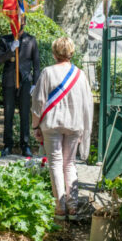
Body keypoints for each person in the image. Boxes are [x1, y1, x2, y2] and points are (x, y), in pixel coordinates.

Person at [30, 37, 93, 221]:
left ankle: (60, 207)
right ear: (71, 52)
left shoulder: (47, 72)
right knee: (70, 163)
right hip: (74, 125)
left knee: (56, 164)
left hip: (52, 124)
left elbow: (38, 101)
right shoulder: (80, 75)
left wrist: (36, 125)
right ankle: (73, 206)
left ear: (54, 53)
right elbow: (87, 103)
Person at [0, 18, 40, 157]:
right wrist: (11, 50)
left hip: (26, 82)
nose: (17, 26)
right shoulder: (5, 40)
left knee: (24, 115)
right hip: (9, 81)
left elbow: (36, 64)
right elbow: (0, 59)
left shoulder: (31, 40)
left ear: (24, 24)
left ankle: (25, 145)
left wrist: (35, 83)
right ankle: (7, 145)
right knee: (8, 114)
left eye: (20, 23)